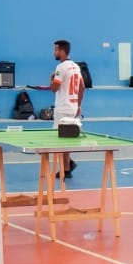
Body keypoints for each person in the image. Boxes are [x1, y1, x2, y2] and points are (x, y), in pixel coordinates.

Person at [50, 39, 84, 176]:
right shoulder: (76, 67)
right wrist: (79, 104)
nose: (54, 52)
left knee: (59, 139)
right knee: (67, 136)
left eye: (55, 50)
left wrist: (51, 77)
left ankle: (66, 169)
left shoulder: (61, 68)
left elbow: (54, 88)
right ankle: (68, 164)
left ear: (62, 51)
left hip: (62, 107)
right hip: (72, 106)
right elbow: (82, 87)